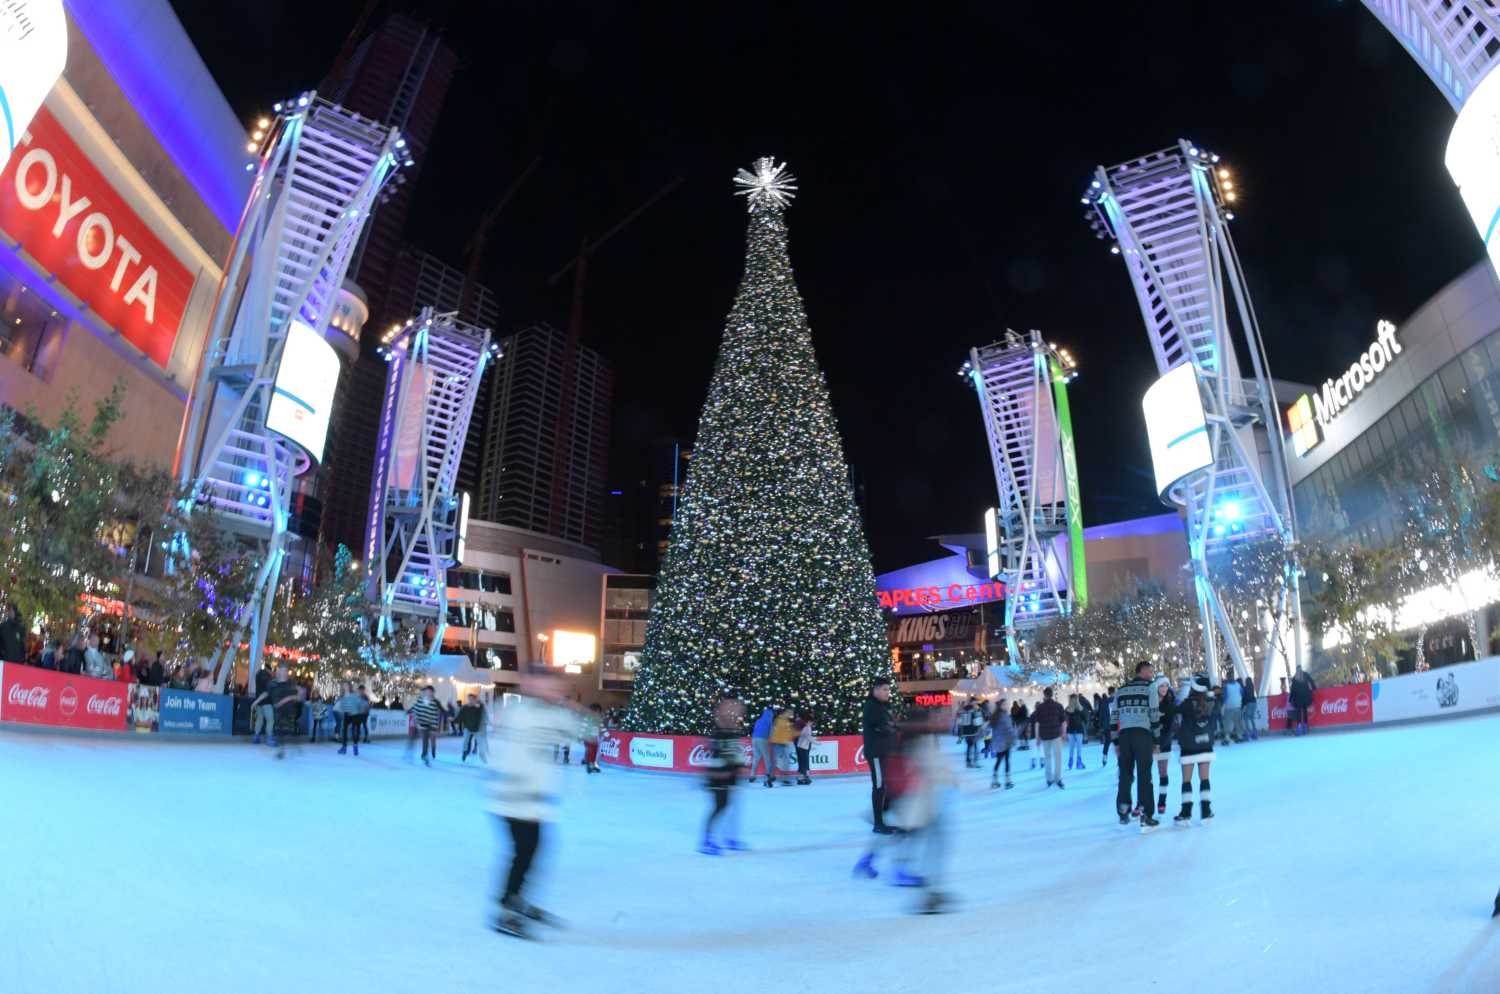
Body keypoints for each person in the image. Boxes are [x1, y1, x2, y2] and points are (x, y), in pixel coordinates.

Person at [489, 664, 578, 939]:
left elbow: (580, 730)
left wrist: (567, 707)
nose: (556, 691)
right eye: (549, 686)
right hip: (513, 800)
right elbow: (507, 756)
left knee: (530, 853)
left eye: (558, 687)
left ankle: (514, 900)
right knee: (523, 854)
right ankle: (506, 910)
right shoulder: (519, 713)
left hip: (532, 801)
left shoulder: (551, 713)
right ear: (529, 685)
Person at [852, 709, 957, 914]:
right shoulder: (918, 739)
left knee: (896, 830)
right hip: (908, 793)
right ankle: (898, 870)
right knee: (906, 832)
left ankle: (870, 860)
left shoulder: (901, 735)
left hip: (896, 791)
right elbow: (929, 767)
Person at [1113, 661, 1162, 832]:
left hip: (1125, 736)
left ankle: (1123, 809)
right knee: (1144, 775)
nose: (1151, 674)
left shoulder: (1121, 689)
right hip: (1143, 734)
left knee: (1125, 773)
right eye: (1149, 670)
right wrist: (1157, 739)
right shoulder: (1150, 687)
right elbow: (1154, 714)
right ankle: (1145, 813)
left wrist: (1116, 741)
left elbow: (1114, 716)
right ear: (1140, 671)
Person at [699, 695, 748, 855]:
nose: (735, 712)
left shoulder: (732, 731)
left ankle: (729, 838)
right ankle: (706, 841)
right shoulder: (719, 732)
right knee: (720, 807)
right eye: (731, 709)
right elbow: (720, 755)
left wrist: (739, 766)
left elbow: (734, 753)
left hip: (730, 776)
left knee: (729, 807)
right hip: (718, 776)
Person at [1173, 676, 1216, 824]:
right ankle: (1206, 811)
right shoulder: (1212, 703)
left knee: (1186, 781)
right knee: (1205, 779)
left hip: (1189, 747)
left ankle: (1186, 813)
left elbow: (1174, 709)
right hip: (1205, 746)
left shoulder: (1187, 704)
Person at [862, 678, 897, 834]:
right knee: (879, 786)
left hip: (884, 751)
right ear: (875, 690)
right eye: (884, 689)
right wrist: (892, 728)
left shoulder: (883, 706)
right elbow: (884, 727)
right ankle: (878, 823)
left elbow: (890, 725)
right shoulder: (872, 707)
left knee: (886, 784)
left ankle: (884, 813)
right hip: (876, 752)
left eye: (888, 690)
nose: (887, 692)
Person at [251, 666, 299, 751]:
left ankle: (256, 737)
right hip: (267, 703)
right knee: (270, 720)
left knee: (259, 719)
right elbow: (268, 692)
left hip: (259, 702)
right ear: (269, 670)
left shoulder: (258, 676)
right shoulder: (270, 680)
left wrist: (256, 701)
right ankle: (269, 738)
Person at [1152, 676, 1178, 816]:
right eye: (1161, 686)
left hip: (1164, 741)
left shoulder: (1170, 702)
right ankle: (1141, 803)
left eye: (1166, 686)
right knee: (1145, 774)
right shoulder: (1150, 701)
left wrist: (1161, 742)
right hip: (1149, 741)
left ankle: (1162, 801)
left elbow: (1170, 726)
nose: (1163, 689)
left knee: (1163, 772)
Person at [1033, 687, 1067, 787]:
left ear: (1044, 695)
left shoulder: (1039, 707)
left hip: (1045, 735)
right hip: (1056, 735)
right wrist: (1064, 733)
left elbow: (1037, 724)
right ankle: (1058, 778)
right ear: (1052, 694)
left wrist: (1037, 737)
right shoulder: (1058, 706)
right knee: (1058, 757)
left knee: (1047, 757)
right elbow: (1063, 722)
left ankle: (1049, 778)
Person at [409, 686, 443, 766]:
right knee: (425, 739)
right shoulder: (420, 701)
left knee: (429, 740)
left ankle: (427, 753)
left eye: (430, 692)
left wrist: (435, 726)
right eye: (427, 692)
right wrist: (416, 722)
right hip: (421, 724)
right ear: (425, 692)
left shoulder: (434, 702)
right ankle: (423, 755)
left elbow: (437, 713)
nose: (429, 693)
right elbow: (415, 710)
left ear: (432, 693)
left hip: (430, 724)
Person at [335, 682, 369, 755]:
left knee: (355, 730)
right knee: (345, 730)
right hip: (348, 714)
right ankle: (344, 747)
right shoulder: (345, 694)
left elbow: (364, 705)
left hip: (356, 715)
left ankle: (355, 747)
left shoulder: (359, 695)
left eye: (346, 686)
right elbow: (342, 703)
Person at [989, 697, 1016, 789]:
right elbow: (1009, 729)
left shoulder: (995, 715)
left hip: (998, 742)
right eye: (1005, 704)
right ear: (1001, 706)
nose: (1007, 706)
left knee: (999, 760)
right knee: (1006, 761)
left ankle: (994, 780)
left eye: (1007, 704)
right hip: (1005, 742)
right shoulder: (1004, 716)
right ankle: (1007, 781)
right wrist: (1014, 737)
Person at [748, 706, 775, 786]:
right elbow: (771, 732)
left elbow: (755, 729)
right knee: (766, 757)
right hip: (762, 739)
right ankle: (769, 775)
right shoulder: (769, 721)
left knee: (756, 758)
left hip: (754, 739)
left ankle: (752, 775)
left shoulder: (758, 720)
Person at [770, 708, 797, 784]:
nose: (791, 715)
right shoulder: (780, 720)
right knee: (776, 761)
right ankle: (771, 776)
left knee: (786, 761)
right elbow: (778, 732)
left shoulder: (785, 721)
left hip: (782, 743)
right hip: (777, 743)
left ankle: (784, 778)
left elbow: (788, 732)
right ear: (785, 712)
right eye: (790, 712)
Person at [460, 696, 488, 763]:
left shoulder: (479, 707)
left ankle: (482, 755)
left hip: (477, 729)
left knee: (480, 742)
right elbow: (461, 716)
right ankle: (465, 752)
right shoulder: (466, 707)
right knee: (466, 741)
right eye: (469, 699)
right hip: (468, 728)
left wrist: (486, 721)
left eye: (472, 699)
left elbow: (484, 713)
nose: (470, 701)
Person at [1290, 666, 1316, 736]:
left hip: (1298, 698)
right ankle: (1305, 728)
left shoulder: (1295, 677)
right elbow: (1311, 680)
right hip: (1305, 697)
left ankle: (1299, 728)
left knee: (1299, 713)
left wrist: (1290, 699)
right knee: (1304, 712)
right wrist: (1314, 688)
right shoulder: (1304, 674)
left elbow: (1292, 689)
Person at [957, 701, 985, 768]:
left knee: (969, 747)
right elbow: (977, 723)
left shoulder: (963, 711)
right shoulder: (974, 712)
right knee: (975, 747)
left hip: (966, 733)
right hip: (973, 733)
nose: (977, 706)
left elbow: (959, 722)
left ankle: (968, 762)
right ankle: (975, 762)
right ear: (974, 704)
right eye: (977, 705)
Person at [1065, 694, 1086, 772]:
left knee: (1071, 747)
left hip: (1070, 730)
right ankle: (1078, 762)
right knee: (1079, 747)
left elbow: (1065, 720)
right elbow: (1085, 719)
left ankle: (1070, 762)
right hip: (1079, 729)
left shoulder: (1067, 709)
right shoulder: (1080, 709)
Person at [579, 703, 602, 773]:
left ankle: (591, 765)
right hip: (588, 738)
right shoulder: (588, 718)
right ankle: (589, 764)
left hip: (594, 739)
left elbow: (602, 727)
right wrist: (580, 736)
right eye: (598, 711)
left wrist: (607, 735)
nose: (599, 712)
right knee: (590, 751)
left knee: (593, 752)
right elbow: (583, 727)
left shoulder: (598, 719)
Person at [1221, 673, 1243, 743]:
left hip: (1229, 706)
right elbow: (1242, 693)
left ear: (1227, 678)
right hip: (1237, 706)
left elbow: (1225, 697)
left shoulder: (1226, 686)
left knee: (1227, 722)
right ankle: (1240, 736)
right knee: (1238, 722)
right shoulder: (1238, 685)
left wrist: (1223, 706)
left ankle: (1227, 737)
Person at [794, 712, 815, 785]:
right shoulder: (806, 726)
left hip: (800, 744)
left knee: (802, 759)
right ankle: (804, 775)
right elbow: (806, 736)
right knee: (804, 759)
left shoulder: (799, 723)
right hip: (803, 745)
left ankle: (802, 775)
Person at [1098, 688, 1113, 766]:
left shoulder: (1105, 702)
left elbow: (1101, 714)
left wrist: (1100, 725)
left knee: (1107, 742)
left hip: (1107, 725)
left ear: (1109, 692)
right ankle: (1120, 759)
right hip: (1117, 725)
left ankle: (1104, 757)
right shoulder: (1118, 700)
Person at [1241, 676, 1259, 741]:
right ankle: (1255, 732)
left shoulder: (1245, 688)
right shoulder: (1252, 687)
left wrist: (1243, 705)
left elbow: (1244, 696)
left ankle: (1248, 733)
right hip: (1254, 702)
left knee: (1245, 718)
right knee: (1251, 718)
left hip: (1249, 703)